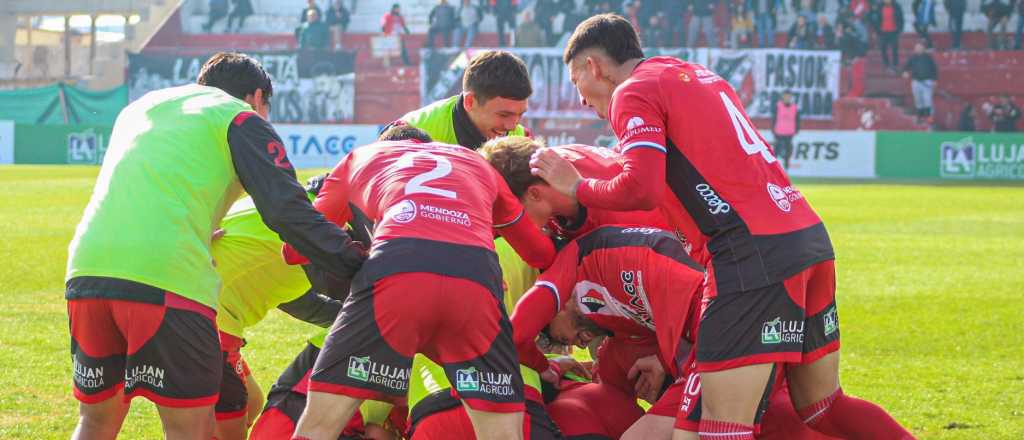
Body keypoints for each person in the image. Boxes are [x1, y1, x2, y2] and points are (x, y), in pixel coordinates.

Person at [531, 14, 914, 439]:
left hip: (747, 256)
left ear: (593, 67)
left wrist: (578, 187)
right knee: (822, 407)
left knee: (721, 428)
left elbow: (641, 189)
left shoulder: (631, 92)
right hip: (805, 236)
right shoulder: (692, 73)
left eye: (576, 82)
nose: (582, 99)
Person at [64, 52, 365, 440]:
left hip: (86, 269)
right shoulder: (241, 117)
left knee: (95, 424)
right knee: (194, 430)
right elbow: (287, 211)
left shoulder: (143, 106)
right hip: (168, 278)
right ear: (257, 97)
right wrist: (357, 260)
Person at [287, 130, 556, 440]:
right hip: (475, 281)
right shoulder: (476, 162)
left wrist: (361, 249)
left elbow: (297, 249)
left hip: (396, 271)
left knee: (319, 426)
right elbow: (540, 252)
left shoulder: (357, 158)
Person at [209, 176, 350, 440]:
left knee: (251, 403)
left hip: (207, 314)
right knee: (230, 429)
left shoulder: (282, 206)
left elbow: (298, 302)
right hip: (207, 320)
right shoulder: (312, 229)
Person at [902, 42, 938, 124]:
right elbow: (905, 67)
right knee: (918, 100)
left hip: (927, 81)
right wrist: (905, 72)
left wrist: (935, 80)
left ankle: (929, 116)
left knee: (927, 99)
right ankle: (920, 116)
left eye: (920, 47)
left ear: (923, 49)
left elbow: (934, 69)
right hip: (916, 81)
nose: (918, 49)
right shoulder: (912, 58)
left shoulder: (928, 58)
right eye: (916, 48)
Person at [870, 0, 904, 71]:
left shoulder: (897, 6)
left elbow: (901, 19)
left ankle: (895, 65)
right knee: (883, 49)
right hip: (883, 32)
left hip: (894, 31)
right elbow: (876, 19)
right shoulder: (879, 7)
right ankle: (886, 65)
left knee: (894, 49)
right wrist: (876, 31)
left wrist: (900, 30)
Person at [772, 91, 800, 169]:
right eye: (785, 96)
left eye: (789, 96)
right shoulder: (778, 106)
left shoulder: (794, 107)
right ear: (782, 97)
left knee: (788, 149)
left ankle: (786, 166)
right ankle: (773, 166)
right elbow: (774, 118)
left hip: (789, 131)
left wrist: (797, 128)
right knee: (776, 149)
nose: (787, 98)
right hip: (779, 131)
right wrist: (773, 129)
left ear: (791, 97)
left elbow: (797, 119)